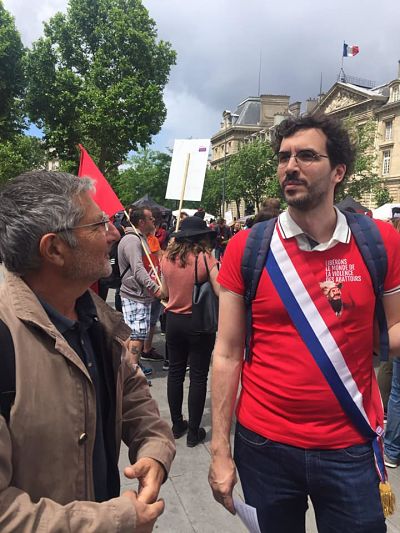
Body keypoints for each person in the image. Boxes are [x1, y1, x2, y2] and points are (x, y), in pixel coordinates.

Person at [208, 114, 400, 533]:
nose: (290, 166)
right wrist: (220, 449)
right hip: (263, 445)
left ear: (338, 171)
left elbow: (394, 332)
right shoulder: (248, 247)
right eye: (284, 157)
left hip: (349, 442)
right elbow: (226, 352)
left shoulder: (380, 242)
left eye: (307, 156)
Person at [0, 171, 175, 531]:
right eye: (98, 225)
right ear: (54, 249)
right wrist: (114, 520)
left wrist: (155, 451)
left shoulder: (96, 318)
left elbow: (137, 401)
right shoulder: (5, 339)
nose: (114, 234)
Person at [161, 216, 219, 447]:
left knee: (175, 372)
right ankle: (194, 431)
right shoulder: (205, 259)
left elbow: (164, 292)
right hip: (198, 323)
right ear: (200, 237)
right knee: (198, 376)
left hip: (173, 321)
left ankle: (177, 424)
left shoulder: (166, 259)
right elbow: (219, 289)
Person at [118, 207, 164, 378]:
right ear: (142, 222)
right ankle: (132, 374)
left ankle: (128, 369)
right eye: (151, 219)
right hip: (136, 294)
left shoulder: (140, 238)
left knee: (134, 333)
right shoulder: (133, 240)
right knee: (137, 334)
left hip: (139, 294)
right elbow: (137, 269)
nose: (154, 221)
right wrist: (155, 288)